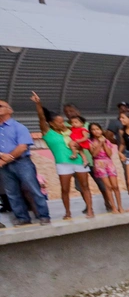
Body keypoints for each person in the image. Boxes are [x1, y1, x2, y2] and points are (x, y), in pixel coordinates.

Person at [31, 91, 93, 220]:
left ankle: (90, 210)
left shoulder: (70, 130)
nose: (63, 124)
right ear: (51, 124)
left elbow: (82, 137)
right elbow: (41, 117)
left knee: (85, 186)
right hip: (63, 164)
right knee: (65, 189)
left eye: (62, 121)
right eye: (59, 122)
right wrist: (38, 104)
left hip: (79, 161)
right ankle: (67, 212)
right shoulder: (47, 132)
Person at [0, 99, 51, 226]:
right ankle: (22, 218)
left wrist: (9, 157)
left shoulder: (19, 127)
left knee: (33, 189)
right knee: (12, 193)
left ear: (9, 110)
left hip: (22, 163)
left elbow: (23, 146)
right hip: (4, 166)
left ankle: (44, 216)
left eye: (0, 106)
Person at [88, 122, 123, 212]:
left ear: (101, 130)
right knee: (108, 186)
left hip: (108, 162)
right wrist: (99, 144)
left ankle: (120, 206)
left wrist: (104, 143)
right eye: (93, 130)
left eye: (97, 129)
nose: (96, 131)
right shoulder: (90, 142)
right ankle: (113, 207)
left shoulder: (107, 140)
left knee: (115, 186)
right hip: (99, 164)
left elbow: (109, 154)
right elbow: (94, 154)